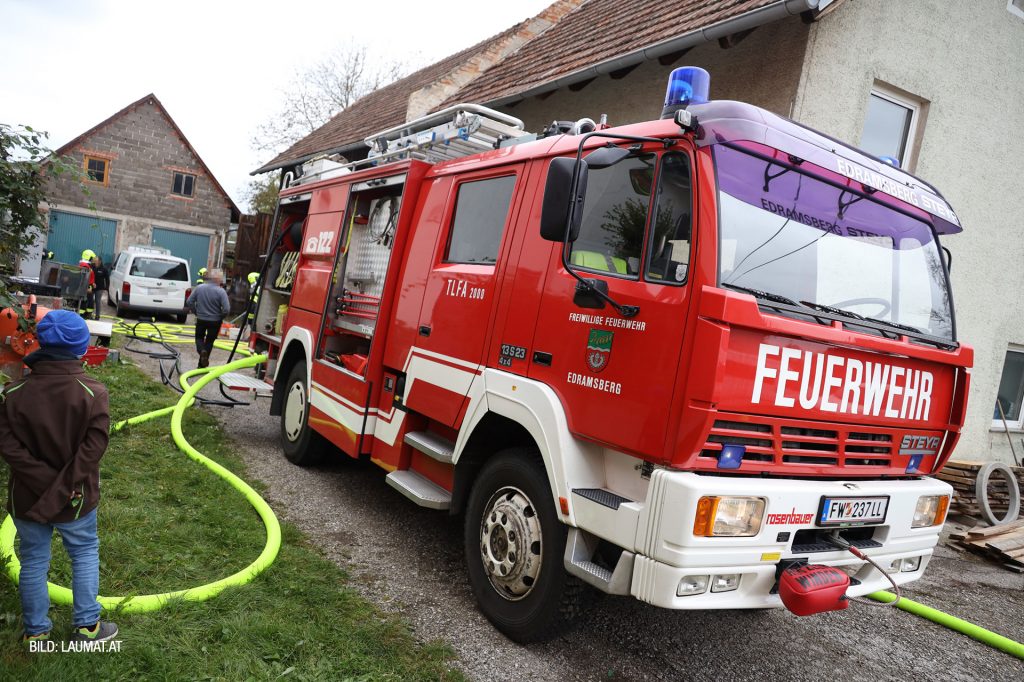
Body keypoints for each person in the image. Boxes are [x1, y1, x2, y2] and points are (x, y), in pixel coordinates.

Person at [0, 310, 118, 645]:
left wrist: (42, 485)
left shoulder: (12, 393)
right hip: (76, 498)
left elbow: (8, 446)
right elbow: (92, 451)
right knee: (83, 553)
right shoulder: (93, 392)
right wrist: (60, 489)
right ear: (82, 349)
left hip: (27, 498)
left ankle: (36, 632)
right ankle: (87, 628)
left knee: (33, 561)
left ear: (40, 343)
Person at [186, 268, 230, 368]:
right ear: (218, 279)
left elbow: (189, 302)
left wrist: (196, 312)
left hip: (201, 319)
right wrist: (220, 316)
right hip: (215, 321)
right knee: (209, 342)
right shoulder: (221, 291)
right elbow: (226, 309)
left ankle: (202, 352)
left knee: (199, 338)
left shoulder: (199, 288)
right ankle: (201, 365)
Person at [90, 256, 109, 321]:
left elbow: (107, 279)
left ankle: (97, 316)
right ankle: (89, 314)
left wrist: (107, 288)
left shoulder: (104, 269)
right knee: (90, 300)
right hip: (92, 286)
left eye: (96, 260)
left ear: (100, 261)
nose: (95, 261)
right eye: (94, 260)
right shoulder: (92, 267)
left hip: (100, 288)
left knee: (97, 301)